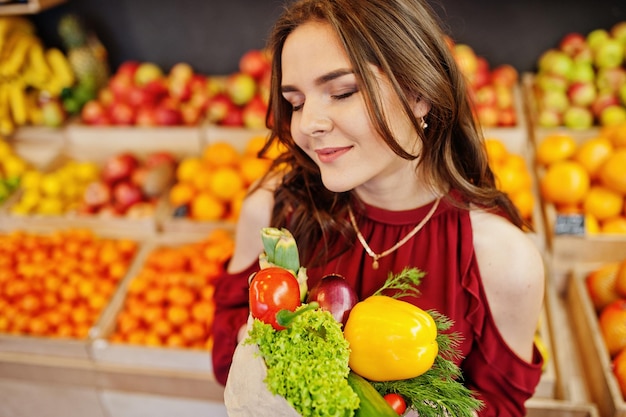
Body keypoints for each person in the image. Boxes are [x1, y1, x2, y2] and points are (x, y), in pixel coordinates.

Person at [212, 0, 545, 415]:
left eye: (343, 91)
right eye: (295, 102)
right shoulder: (273, 215)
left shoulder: (504, 260)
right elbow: (227, 352)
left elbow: (501, 404)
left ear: (420, 92)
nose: (308, 123)